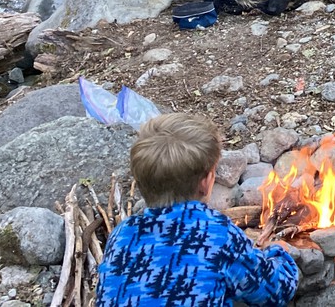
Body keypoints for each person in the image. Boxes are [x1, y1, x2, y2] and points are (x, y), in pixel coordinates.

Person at [95, 113, 298, 307]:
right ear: (206, 181)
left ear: (139, 184)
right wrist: (279, 250)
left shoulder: (122, 236)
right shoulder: (217, 234)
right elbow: (276, 290)